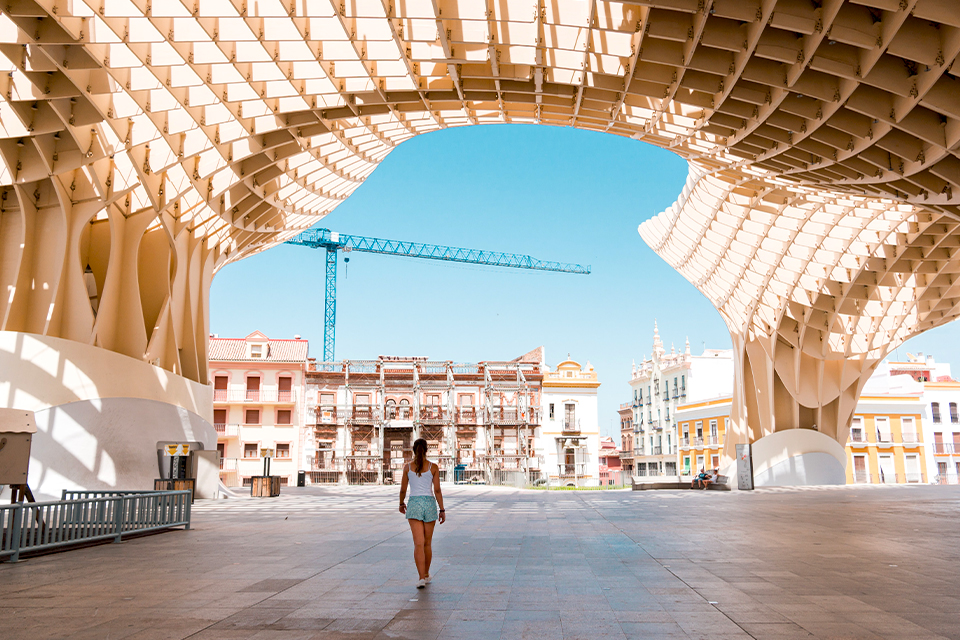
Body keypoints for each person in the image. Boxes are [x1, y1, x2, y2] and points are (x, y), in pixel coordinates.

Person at [399, 438, 446, 588]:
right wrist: (442, 509)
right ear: (426, 450)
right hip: (429, 504)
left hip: (414, 504)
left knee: (418, 544)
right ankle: (426, 574)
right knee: (427, 543)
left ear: (414, 450)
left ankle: (420, 578)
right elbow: (437, 490)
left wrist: (401, 503)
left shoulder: (407, 468)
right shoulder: (433, 467)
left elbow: (403, 490)